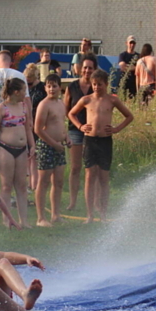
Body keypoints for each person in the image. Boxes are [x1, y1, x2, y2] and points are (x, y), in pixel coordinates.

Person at [67, 69, 134, 224]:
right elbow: (71, 113)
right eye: (95, 84)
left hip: (105, 141)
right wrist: (80, 126)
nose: (97, 87)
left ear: (106, 84)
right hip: (90, 140)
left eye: (100, 84)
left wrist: (117, 128)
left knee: (104, 178)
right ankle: (90, 214)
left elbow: (129, 116)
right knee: (90, 176)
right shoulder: (86, 100)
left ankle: (103, 213)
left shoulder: (112, 100)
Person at [0, 77, 33, 229]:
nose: (25, 94)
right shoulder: (1, 108)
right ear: (16, 92)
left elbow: (28, 128)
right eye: (23, 91)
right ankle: (7, 219)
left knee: (21, 185)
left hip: (21, 149)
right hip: (5, 148)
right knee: (6, 186)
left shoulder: (24, 106)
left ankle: (24, 221)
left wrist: (31, 145)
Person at [33, 73, 68, 227]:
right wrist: (54, 143)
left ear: (60, 87)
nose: (51, 89)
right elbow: (38, 129)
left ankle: (55, 214)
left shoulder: (61, 104)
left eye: (54, 86)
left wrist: (67, 138)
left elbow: (61, 125)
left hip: (60, 146)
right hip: (47, 146)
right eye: (48, 86)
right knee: (44, 181)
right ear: (45, 88)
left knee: (58, 181)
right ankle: (41, 217)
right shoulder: (44, 104)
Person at [63, 54, 96, 212]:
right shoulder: (72, 87)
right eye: (85, 67)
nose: (87, 70)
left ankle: (93, 202)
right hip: (75, 130)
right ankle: (73, 201)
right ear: (80, 69)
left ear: (94, 69)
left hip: (93, 131)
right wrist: (77, 125)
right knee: (76, 167)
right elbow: (67, 109)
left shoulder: (97, 86)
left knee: (92, 168)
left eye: (90, 68)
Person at [117, 36, 139, 100]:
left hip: (133, 83)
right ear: (126, 43)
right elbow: (122, 67)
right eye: (130, 43)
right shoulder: (123, 55)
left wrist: (127, 66)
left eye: (133, 43)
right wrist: (135, 67)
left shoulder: (138, 56)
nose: (132, 45)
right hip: (124, 82)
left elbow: (140, 68)